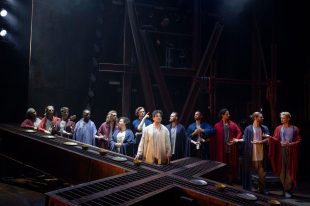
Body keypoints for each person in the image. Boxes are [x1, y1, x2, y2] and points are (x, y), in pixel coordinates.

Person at [269, 112, 301, 198]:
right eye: (281, 118)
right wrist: (270, 138)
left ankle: (288, 190)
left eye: (283, 118)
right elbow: (276, 139)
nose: (281, 119)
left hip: (291, 151)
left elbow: (298, 140)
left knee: (290, 170)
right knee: (282, 170)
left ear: (288, 118)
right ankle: (284, 189)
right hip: (281, 151)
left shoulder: (294, 129)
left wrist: (291, 144)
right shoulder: (278, 128)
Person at [241, 111, 271, 194]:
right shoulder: (248, 128)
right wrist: (237, 140)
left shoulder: (264, 128)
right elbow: (245, 139)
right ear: (255, 118)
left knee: (262, 173)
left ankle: (262, 189)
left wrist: (260, 141)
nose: (262, 118)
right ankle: (248, 189)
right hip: (251, 154)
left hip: (261, 153)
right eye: (261, 117)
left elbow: (268, 139)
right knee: (249, 172)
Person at [211, 108, 242, 184]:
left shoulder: (232, 124)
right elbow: (213, 138)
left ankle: (230, 180)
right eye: (227, 114)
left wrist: (236, 139)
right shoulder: (217, 126)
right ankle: (222, 180)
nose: (229, 115)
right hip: (221, 148)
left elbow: (239, 132)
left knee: (231, 163)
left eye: (228, 114)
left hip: (231, 147)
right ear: (223, 115)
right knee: (222, 163)